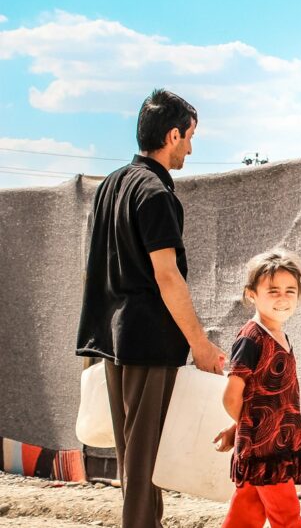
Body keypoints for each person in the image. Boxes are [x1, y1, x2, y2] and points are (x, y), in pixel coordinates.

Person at [75, 89, 225, 528]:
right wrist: (199, 343)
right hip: (146, 340)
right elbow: (167, 275)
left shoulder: (113, 185)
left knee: (134, 458)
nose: (191, 149)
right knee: (144, 463)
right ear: (172, 134)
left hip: (114, 338)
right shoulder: (155, 192)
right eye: (190, 138)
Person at [214, 250, 301, 528]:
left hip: (271, 445)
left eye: (290, 290)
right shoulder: (252, 338)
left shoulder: (279, 335)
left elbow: (256, 398)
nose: (282, 298)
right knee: (286, 515)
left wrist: (238, 430)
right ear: (252, 294)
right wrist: (248, 430)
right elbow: (232, 395)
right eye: (273, 290)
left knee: (246, 512)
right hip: (266, 452)